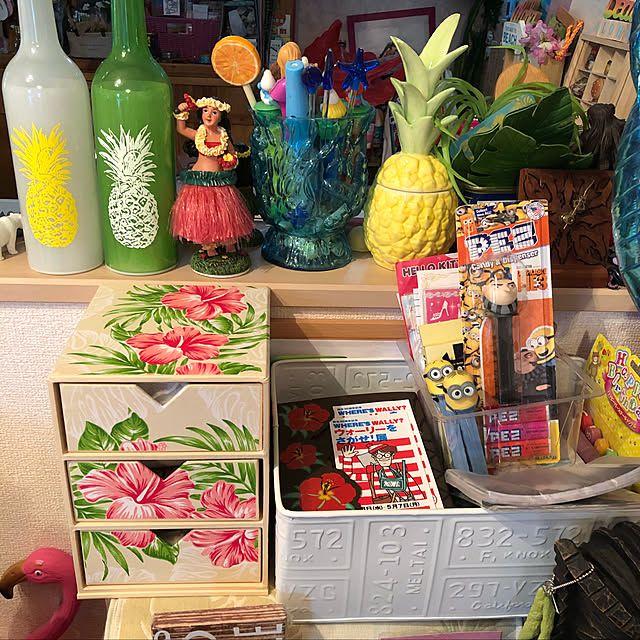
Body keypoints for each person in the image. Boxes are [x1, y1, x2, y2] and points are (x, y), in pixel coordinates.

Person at [171, 94, 255, 276]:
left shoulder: (223, 137)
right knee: (204, 217)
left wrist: (229, 161)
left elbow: (232, 155)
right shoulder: (199, 134)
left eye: (214, 112)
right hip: (200, 182)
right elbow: (181, 129)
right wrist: (181, 111)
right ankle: (209, 248)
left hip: (219, 182)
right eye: (205, 111)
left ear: (221, 117)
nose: (208, 115)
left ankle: (229, 245)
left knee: (225, 216)